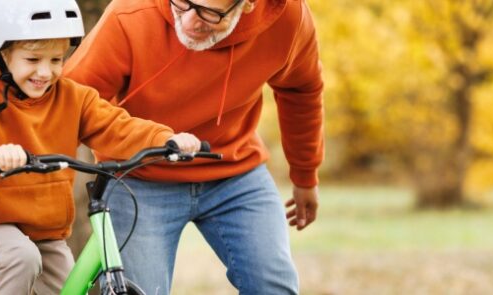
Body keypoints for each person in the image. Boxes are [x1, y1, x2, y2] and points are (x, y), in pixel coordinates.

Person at [60, 0, 325, 293]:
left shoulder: (287, 17)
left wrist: (305, 175)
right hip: (139, 179)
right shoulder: (130, 15)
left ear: (247, 5)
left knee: (273, 286)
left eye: (209, 12)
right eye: (182, 3)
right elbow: (66, 107)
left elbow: (302, 90)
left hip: (234, 173)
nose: (187, 22)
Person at [0, 0, 201, 294]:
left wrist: (164, 139)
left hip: (46, 229)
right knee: (22, 258)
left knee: (73, 287)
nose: (45, 72)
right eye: (33, 60)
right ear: (3, 53)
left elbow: (116, 126)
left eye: (56, 60)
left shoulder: (73, 97)